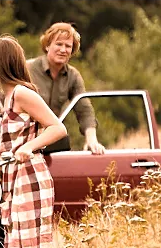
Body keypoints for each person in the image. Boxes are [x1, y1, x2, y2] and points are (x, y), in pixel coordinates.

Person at [0, 33, 68, 248]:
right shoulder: (8, 97)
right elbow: (10, 142)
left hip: (28, 177)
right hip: (14, 179)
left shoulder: (22, 93)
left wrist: (29, 147)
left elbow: (58, 128)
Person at [26, 22, 105, 155]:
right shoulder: (27, 69)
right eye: (59, 44)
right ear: (47, 45)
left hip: (51, 142)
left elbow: (84, 109)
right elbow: (4, 104)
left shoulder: (73, 76)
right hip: (24, 141)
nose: (63, 50)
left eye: (68, 46)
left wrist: (92, 140)